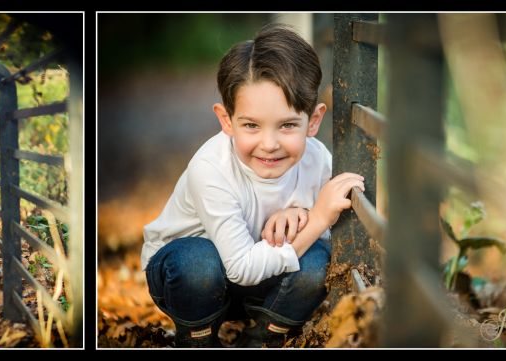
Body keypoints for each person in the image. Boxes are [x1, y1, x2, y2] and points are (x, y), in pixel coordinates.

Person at [141, 24, 365, 348]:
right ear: (226, 120)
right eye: (251, 126)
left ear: (313, 121)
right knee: (197, 263)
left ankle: (261, 338)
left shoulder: (319, 162)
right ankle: (197, 338)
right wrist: (316, 218)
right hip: (191, 281)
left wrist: (304, 214)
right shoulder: (210, 169)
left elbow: (333, 236)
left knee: (318, 261)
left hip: (262, 286)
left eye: (288, 125)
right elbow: (242, 267)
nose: (269, 144)